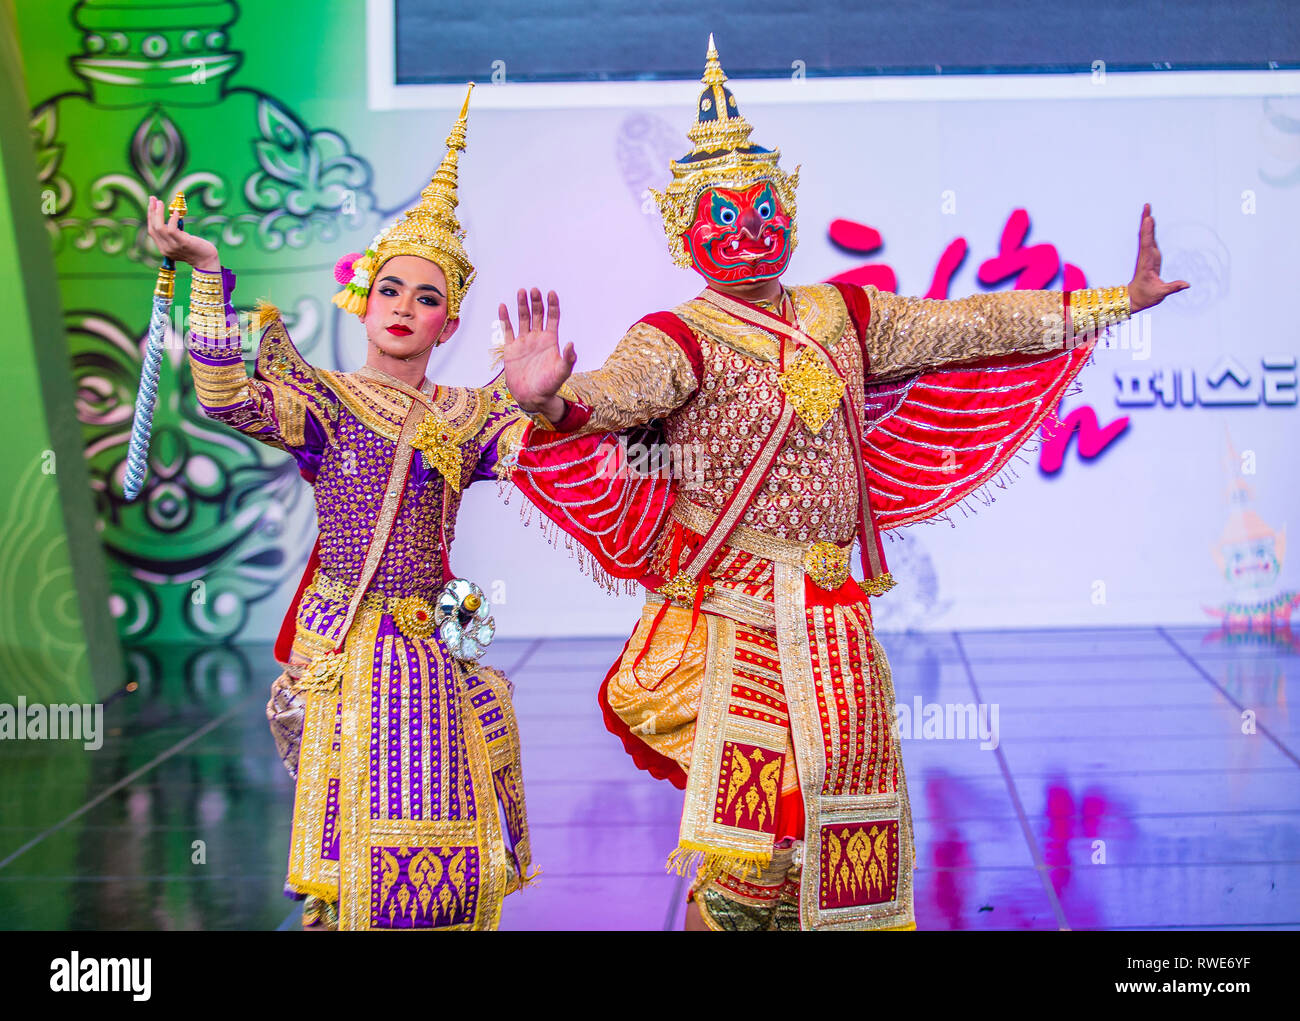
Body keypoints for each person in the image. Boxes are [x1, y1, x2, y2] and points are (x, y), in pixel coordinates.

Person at [498, 38, 1188, 931]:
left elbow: (969, 324)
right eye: (721, 213)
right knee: (748, 855)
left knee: (845, 837)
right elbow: (615, 397)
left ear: (786, 208)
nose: (745, 229)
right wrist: (553, 401)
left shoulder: (840, 314)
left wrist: (1109, 304)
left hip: (835, 610)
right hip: (739, 613)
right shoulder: (675, 335)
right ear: (683, 230)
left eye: (760, 208)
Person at [146, 85, 533, 931]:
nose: (403, 306)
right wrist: (207, 277)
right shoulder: (322, 398)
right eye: (390, 288)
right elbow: (223, 396)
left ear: (449, 321)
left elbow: (547, 458)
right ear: (364, 298)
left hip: (434, 640)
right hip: (349, 647)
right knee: (346, 856)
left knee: (448, 852)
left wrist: (546, 397)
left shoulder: (469, 414)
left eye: (425, 298)